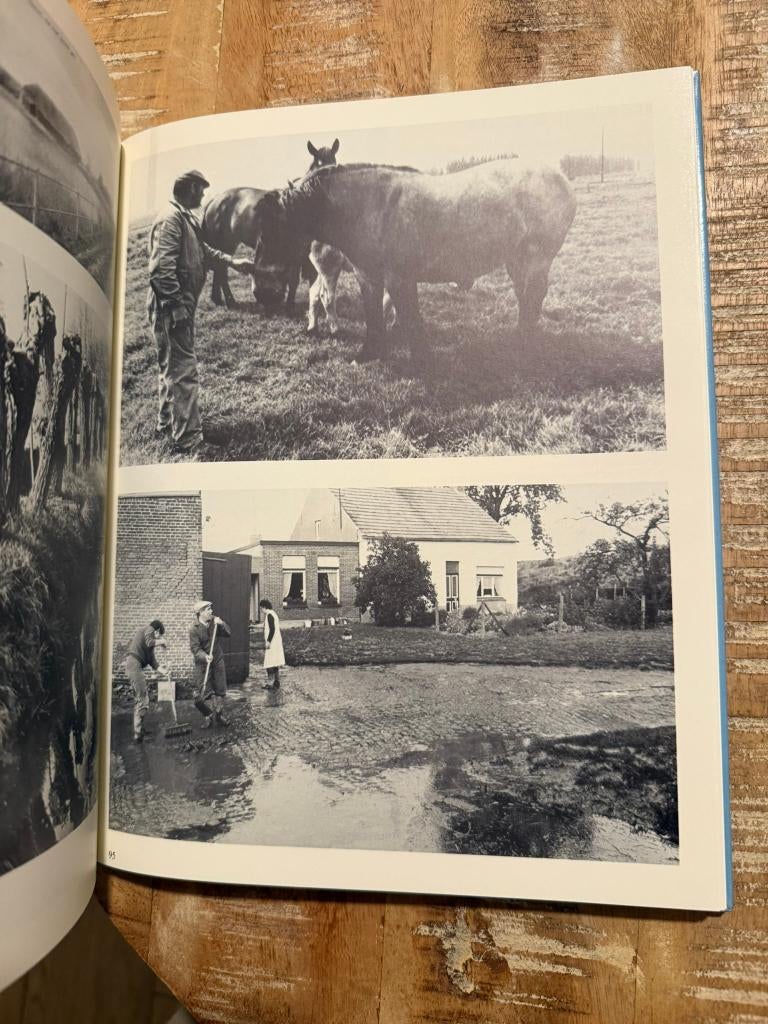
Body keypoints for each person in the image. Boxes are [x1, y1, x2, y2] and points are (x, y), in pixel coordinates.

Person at [147, 169, 254, 457]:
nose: (204, 194)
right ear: (190, 188)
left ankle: (166, 424)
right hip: (172, 308)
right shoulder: (171, 220)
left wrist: (233, 261)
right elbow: (161, 270)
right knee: (183, 369)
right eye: (201, 189)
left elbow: (204, 250)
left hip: (177, 306)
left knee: (170, 366)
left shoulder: (183, 218)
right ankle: (189, 440)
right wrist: (175, 307)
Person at [190, 599, 231, 727]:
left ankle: (219, 715)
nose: (211, 611)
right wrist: (205, 656)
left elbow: (228, 633)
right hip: (203, 664)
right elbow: (195, 649)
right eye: (208, 610)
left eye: (211, 609)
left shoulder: (215, 622)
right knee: (205, 691)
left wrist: (222, 623)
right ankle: (207, 716)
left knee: (220, 689)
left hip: (217, 660)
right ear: (201, 612)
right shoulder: (194, 629)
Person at [125, 619, 165, 742]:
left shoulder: (149, 647)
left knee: (142, 698)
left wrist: (163, 671)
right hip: (134, 665)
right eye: (159, 635)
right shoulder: (148, 629)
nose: (158, 638)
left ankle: (140, 729)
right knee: (142, 699)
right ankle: (138, 734)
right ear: (157, 630)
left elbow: (153, 662)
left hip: (134, 666)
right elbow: (149, 642)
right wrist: (162, 641)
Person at [259, 599, 285, 689]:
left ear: (264, 607)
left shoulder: (269, 615)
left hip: (272, 643)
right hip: (276, 642)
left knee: (269, 663)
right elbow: (268, 627)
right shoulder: (273, 614)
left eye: (261, 608)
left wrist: (268, 641)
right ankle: (277, 681)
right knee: (275, 662)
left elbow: (272, 629)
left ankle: (270, 683)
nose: (261, 610)